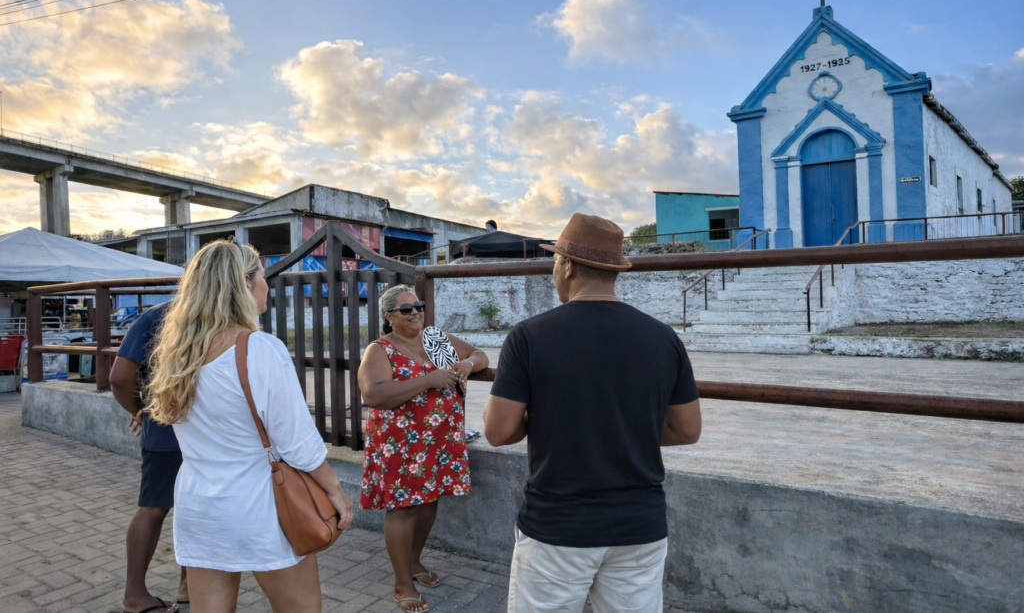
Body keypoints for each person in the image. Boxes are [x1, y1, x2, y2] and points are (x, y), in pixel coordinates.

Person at [483, 213, 703, 613]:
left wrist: (558, 421)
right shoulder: (663, 337)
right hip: (640, 525)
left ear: (566, 266)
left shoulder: (529, 336)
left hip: (559, 525)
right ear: (613, 271)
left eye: (555, 262)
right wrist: (623, 427)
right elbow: (686, 430)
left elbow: (499, 431)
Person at [146, 239, 354, 613]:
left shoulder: (178, 355)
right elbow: (296, 442)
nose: (267, 286)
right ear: (242, 285)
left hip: (200, 504)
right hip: (260, 505)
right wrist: (336, 492)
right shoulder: (259, 348)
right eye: (262, 277)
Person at [357, 285, 489, 612]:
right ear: (389, 316)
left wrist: (468, 365)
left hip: (438, 440)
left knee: (429, 501)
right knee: (403, 508)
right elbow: (373, 394)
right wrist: (428, 380)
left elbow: (480, 355)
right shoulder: (381, 349)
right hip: (401, 444)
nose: (415, 312)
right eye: (406, 309)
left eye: (418, 306)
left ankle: (414, 562)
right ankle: (402, 583)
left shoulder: (435, 339)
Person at [111, 303, 188, 613]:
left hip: (170, 430)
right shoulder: (160, 316)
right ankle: (136, 594)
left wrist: (141, 410)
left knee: (163, 508)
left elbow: (120, 378)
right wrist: (140, 410)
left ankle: (182, 587)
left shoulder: (157, 315)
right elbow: (119, 379)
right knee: (158, 508)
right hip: (178, 432)